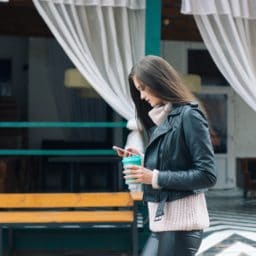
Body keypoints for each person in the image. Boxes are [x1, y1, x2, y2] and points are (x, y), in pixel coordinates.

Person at [115, 55, 217, 256]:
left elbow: (207, 175)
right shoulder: (163, 119)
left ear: (158, 81)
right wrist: (143, 159)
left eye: (143, 88)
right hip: (162, 224)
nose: (142, 96)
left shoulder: (189, 116)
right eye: (138, 91)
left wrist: (153, 177)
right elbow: (175, 161)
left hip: (182, 226)